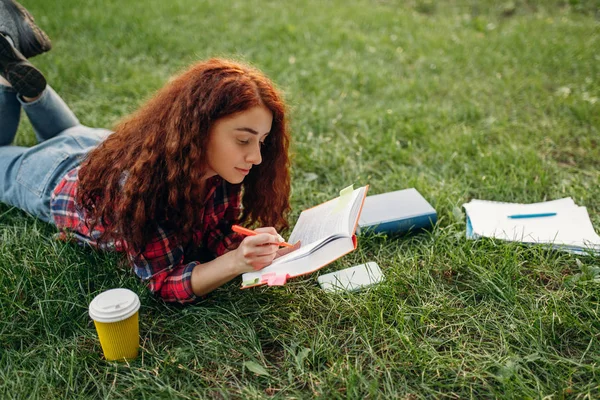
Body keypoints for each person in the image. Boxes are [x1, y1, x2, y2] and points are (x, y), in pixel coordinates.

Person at [0, 0, 298, 304]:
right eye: (243, 140)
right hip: (52, 177)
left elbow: (213, 234)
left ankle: (23, 85)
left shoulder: (217, 170)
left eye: (261, 141)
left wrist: (245, 244)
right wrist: (235, 262)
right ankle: (14, 83)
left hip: (96, 148)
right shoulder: (145, 191)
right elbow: (163, 281)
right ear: (199, 128)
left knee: (67, 133)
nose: (257, 158)